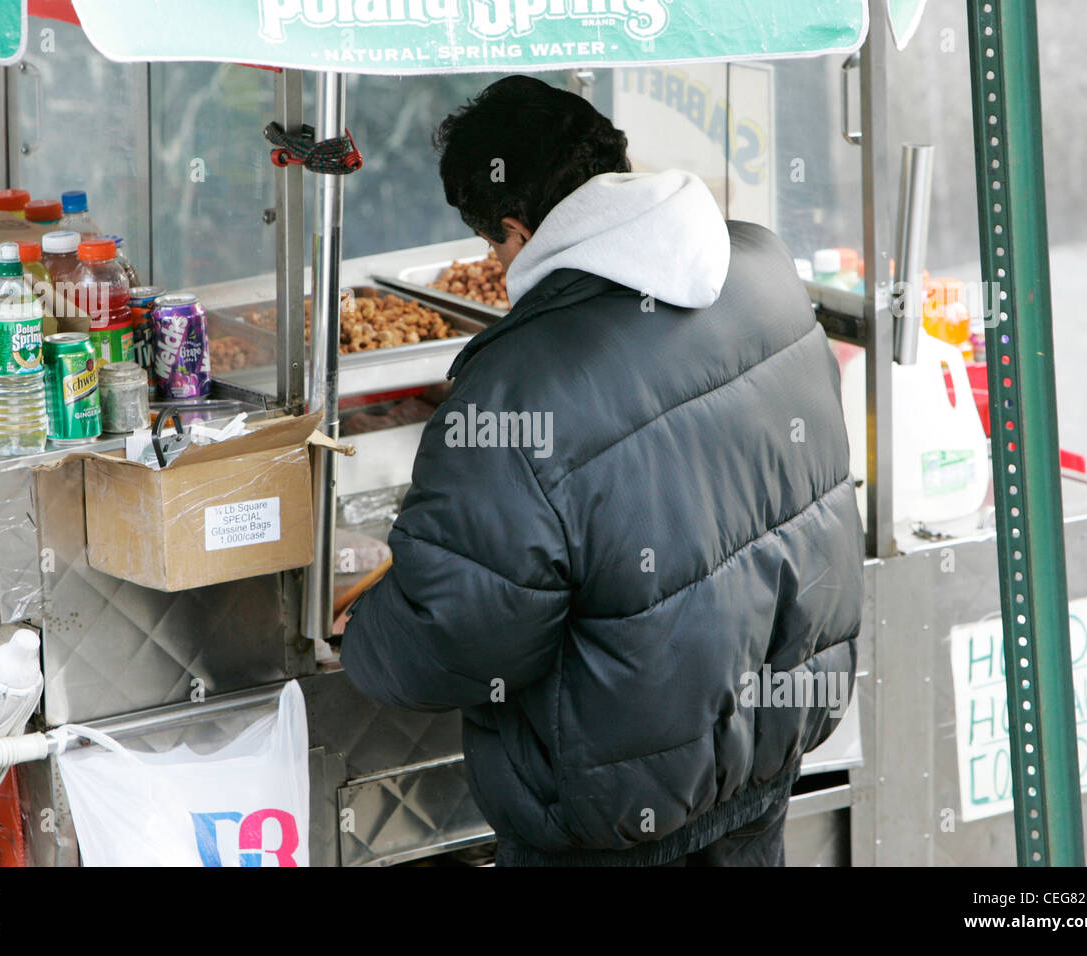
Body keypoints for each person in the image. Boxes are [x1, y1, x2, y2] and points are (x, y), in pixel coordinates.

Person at [337, 74, 863, 867]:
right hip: (760, 765)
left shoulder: (522, 382)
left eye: (494, 246)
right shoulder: (762, 267)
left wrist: (362, 630)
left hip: (611, 815)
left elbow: (463, 632)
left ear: (515, 229)